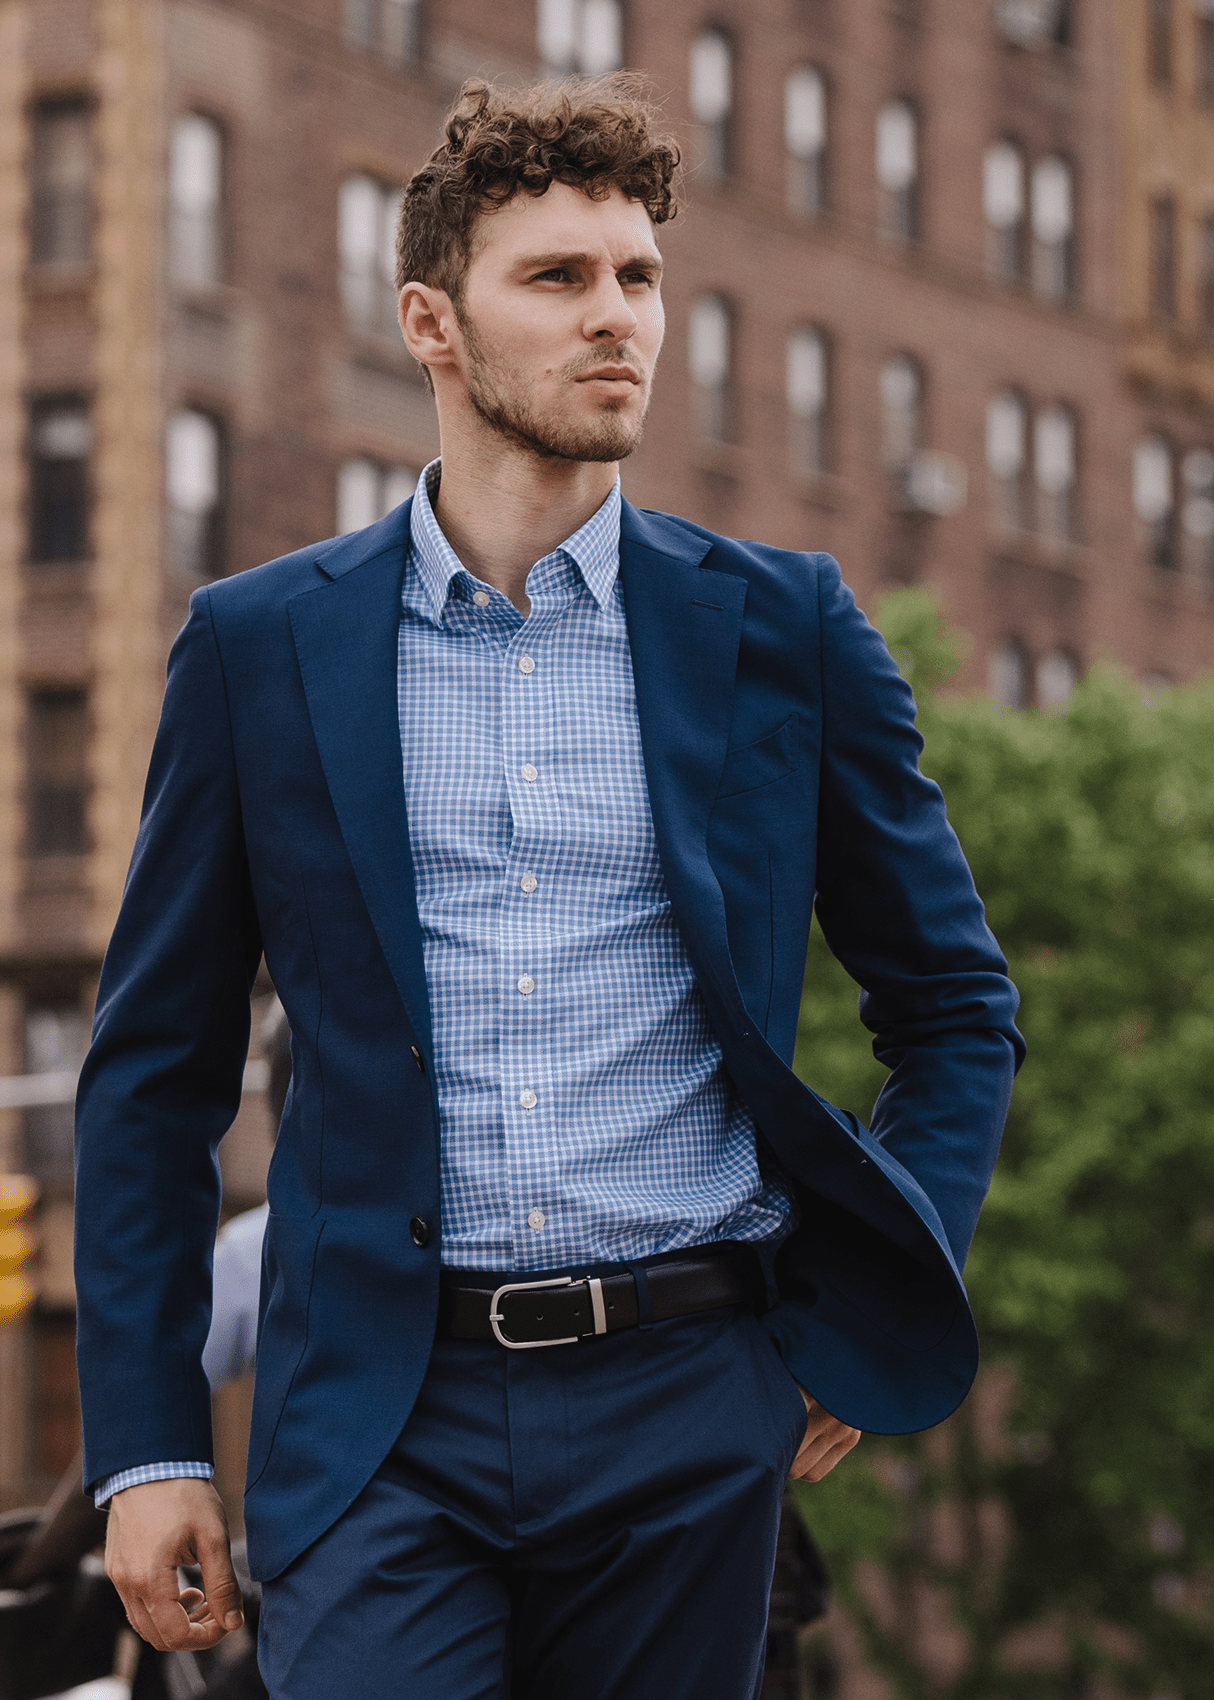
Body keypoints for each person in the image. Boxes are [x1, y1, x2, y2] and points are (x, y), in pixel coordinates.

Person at [74, 76, 1023, 1700]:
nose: (617, 318)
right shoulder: (259, 648)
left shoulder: (784, 629)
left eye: (637, 275)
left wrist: (867, 1294)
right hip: (378, 1416)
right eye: (559, 277)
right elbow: (154, 1073)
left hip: (689, 1396)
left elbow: (950, 1005)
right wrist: (150, 1446)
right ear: (430, 323)